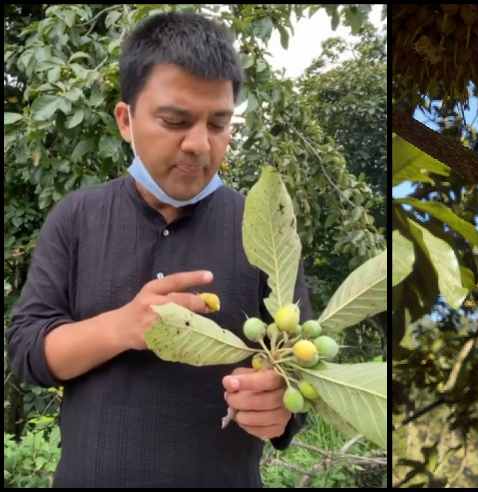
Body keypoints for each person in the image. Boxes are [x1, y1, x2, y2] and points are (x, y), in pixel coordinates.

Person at [6, 11, 312, 487]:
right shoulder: (77, 217)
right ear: (126, 120)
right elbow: (27, 352)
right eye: (175, 120)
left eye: (219, 123)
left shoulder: (264, 227)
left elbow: (300, 370)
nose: (199, 144)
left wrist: (279, 408)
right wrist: (125, 327)